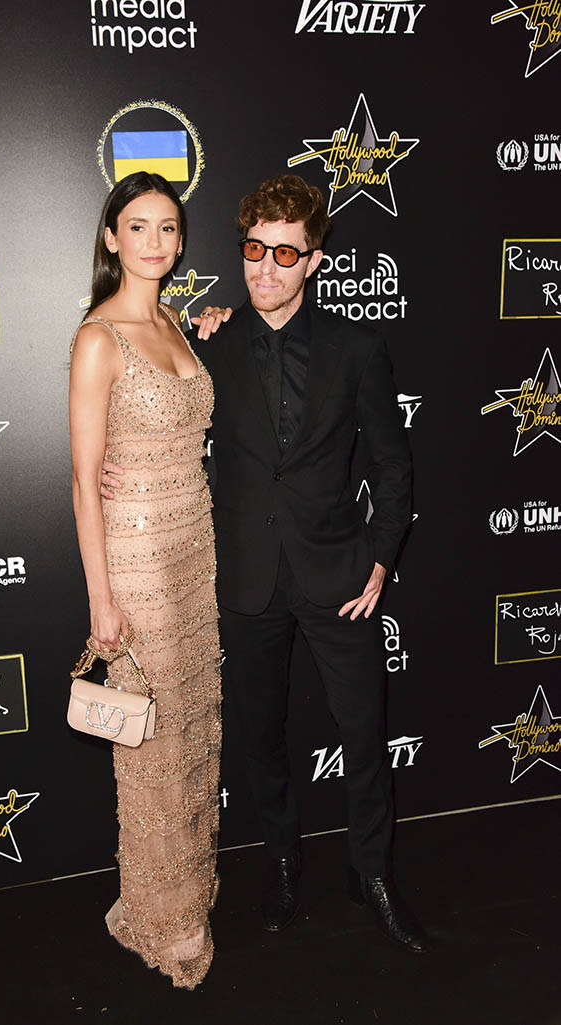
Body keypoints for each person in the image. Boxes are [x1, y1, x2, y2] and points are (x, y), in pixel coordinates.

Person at [105, 173, 430, 953]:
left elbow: (393, 466)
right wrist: (122, 468)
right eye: (254, 249)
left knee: (362, 728)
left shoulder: (357, 348)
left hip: (338, 576)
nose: (266, 267)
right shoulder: (205, 339)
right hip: (246, 577)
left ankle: (372, 872)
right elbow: (149, 400)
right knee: (263, 739)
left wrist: (381, 558)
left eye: (286, 253)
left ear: (314, 261)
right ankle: (281, 863)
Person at [69, 171, 225, 989]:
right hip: (136, 566)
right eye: (139, 227)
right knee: (154, 743)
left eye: (168, 227)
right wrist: (101, 598)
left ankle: (185, 888)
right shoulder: (100, 338)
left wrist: (213, 327)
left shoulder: (170, 319)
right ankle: (165, 922)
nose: (156, 241)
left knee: (191, 729)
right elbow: (82, 476)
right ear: (111, 238)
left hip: (193, 551)